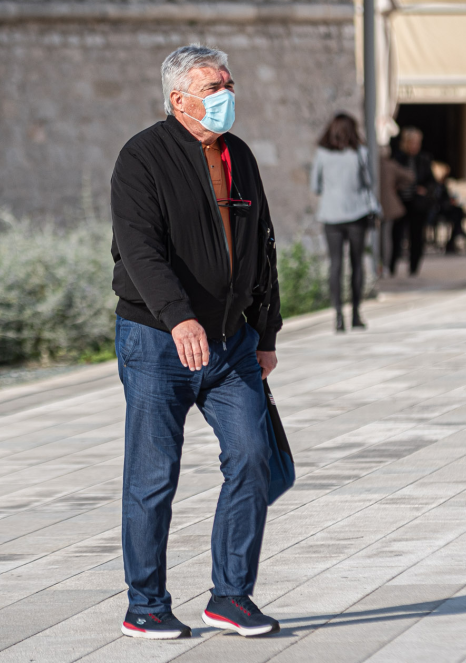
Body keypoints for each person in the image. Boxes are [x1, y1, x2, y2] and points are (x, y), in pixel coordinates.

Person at [109, 45, 282, 640]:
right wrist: (179, 317)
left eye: (228, 84)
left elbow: (264, 244)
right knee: (154, 473)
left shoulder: (239, 156)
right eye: (213, 87)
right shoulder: (142, 157)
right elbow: (139, 249)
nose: (225, 95)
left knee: (254, 457)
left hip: (233, 344)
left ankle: (231, 597)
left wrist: (267, 330)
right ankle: (146, 604)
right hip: (159, 339)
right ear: (179, 98)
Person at [311, 113, 380, 332]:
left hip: (331, 215)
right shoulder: (360, 153)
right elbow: (370, 181)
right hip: (357, 214)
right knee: (357, 263)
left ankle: (338, 317)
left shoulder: (322, 154)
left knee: (336, 265)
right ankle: (357, 314)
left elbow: (315, 185)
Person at [390, 127, 435, 276]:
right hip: (400, 202)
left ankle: (414, 267)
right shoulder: (397, 159)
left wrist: (425, 189)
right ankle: (392, 265)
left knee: (416, 236)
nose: (415, 146)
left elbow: (432, 181)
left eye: (417, 143)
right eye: (412, 143)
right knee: (396, 235)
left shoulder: (424, 159)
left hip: (417, 203)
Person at [378, 149, 411, 275]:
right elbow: (410, 176)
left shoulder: (372, 164)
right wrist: (397, 187)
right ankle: (385, 266)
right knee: (386, 237)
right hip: (387, 205)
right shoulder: (390, 165)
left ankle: (380, 265)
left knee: (380, 237)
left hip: (378, 204)